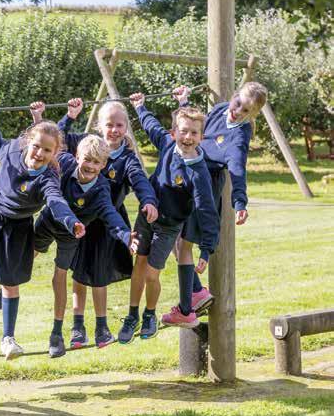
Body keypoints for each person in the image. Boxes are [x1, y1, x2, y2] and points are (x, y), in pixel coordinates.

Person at [0, 102, 85, 360]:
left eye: (47, 150)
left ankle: (8, 338)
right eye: (37, 146)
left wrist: (70, 221)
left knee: (10, 282)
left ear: (55, 153)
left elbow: (55, 201)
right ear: (29, 141)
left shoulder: (48, 177)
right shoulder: (11, 150)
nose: (39, 153)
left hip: (16, 228)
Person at [53, 99, 159, 346]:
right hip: (80, 221)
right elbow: (56, 138)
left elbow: (140, 181)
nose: (114, 130)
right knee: (78, 273)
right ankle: (78, 325)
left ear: (126, 127)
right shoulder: (87, 144)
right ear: (99, 126)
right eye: (109, 124)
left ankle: (102, 326)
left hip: (107, 225)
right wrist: (70, 116)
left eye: (119, 125)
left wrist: (148, 200)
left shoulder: (128, 159)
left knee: (99, 275)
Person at [33, 133, 138, 356]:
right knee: (24, 259)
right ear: (77, 156)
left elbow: (111, 215)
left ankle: (57, 334)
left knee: (60, 275)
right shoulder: (63, 164)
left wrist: (126, 236)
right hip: (48, 221)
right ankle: (7, 287)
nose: (90, 165)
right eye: (87, 159)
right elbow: (46, 146)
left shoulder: (101, 189)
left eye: (96, 162)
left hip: (72, 235)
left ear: (103, 165)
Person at [172, 82, 268, 313]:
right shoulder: (221, 108)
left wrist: (240, 202)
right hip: (189, 173)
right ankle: (196, 292)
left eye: (246, 110)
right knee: (173, 235)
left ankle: (193, 296)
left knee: (183, 240)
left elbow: (237, 168)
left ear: (252, 114)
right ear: (234, 96)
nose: (238, 111)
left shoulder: (239, 137)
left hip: (205, 185)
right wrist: (184, 102)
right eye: (238, 103)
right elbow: (197, 127)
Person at [129, 94, 219, 334]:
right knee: (138, 262)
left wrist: (206, 249)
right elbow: (152, 127)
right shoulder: (168, 145)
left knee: (152, 273)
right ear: (174, 133)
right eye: (183, 131)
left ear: (201, 137)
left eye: (194, 133)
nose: (188, 137)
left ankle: (162, 313)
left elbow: (207, 211)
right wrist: (140, 108)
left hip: (169, 226)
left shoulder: (198, 174)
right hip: (147, 215)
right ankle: (135, 314)